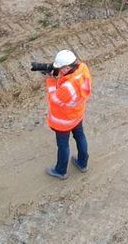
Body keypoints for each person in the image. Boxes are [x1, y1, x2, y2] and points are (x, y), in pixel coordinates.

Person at [44, 49, 92, 179]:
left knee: (63, 145)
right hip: (77, 114)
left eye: (60, 68)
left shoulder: (68, 87)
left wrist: (50, 81)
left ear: (66, 68)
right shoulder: (82, 68)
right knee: (80, 136)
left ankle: (61, 171)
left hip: (64, 121)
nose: (59, 70)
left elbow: (54, 100)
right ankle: (83, 163)